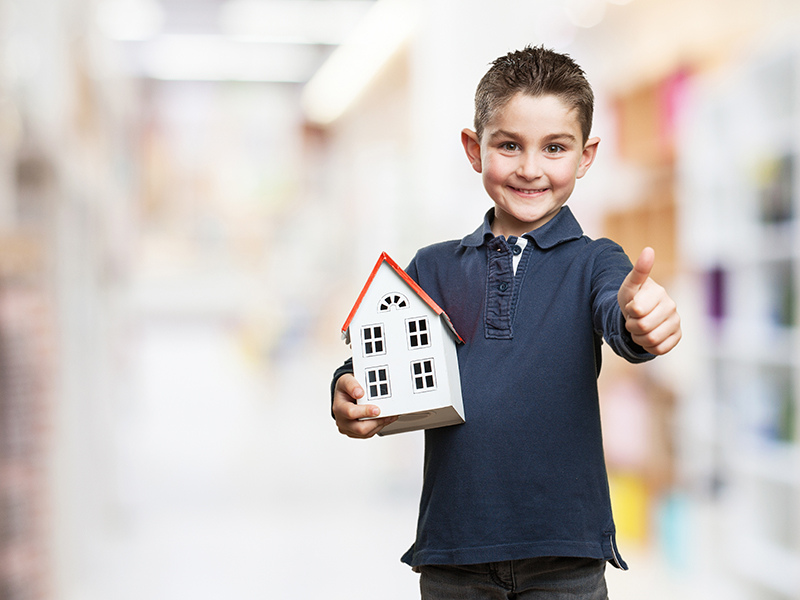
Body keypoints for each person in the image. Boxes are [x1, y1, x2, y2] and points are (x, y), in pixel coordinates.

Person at [330, 45, 681, 599]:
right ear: (475, 148)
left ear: (586, 156)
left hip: (565, 557)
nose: (530, 169)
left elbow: (619, 314)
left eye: (555, 148)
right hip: (455, 553)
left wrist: (641, 322)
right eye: (509, 145)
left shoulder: (596, 261)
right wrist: (347, 389)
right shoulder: (433, 266)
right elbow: (374, 358)